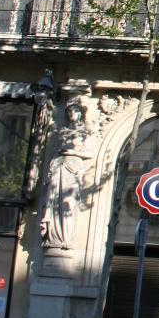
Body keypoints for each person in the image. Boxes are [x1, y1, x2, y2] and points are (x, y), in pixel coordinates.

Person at [40, 99, 93, 251]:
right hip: (59, 166)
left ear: (80, 113)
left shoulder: (85, 132)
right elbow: (57, 150)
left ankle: (65, 238)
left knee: (69, 203)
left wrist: (73, 152)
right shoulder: (62, 131)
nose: (71, 114)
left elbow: (89, 153)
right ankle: (54, 238)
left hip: (74, 167)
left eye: (74, 110)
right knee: (54, 201)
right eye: (69, 111)